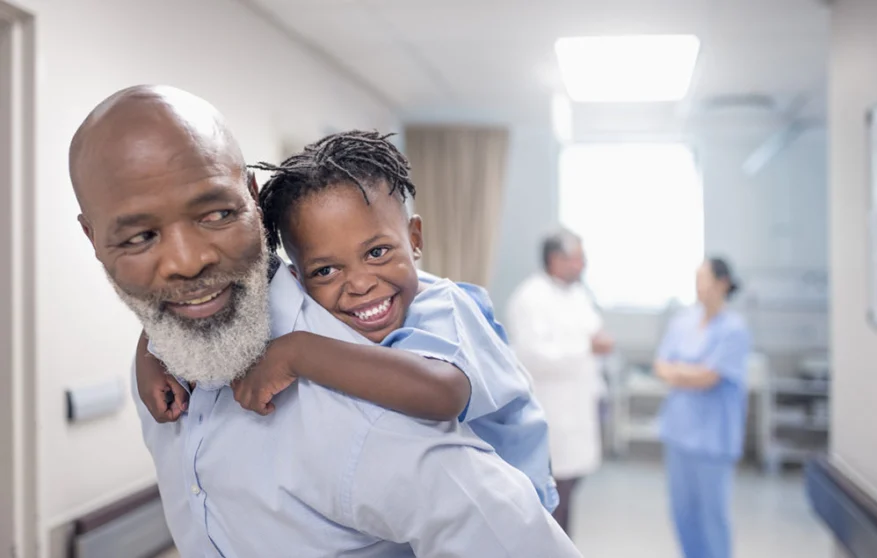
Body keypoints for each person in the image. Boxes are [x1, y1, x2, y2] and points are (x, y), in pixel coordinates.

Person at [69, 85, 581, 557]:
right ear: (94, 239)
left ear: (251, 198)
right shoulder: (171, 358)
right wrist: (149, 348)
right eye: (139, 237)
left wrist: (300, 352)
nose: (184, 262)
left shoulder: (374, 399)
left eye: (216, 214)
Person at [134, 130, 558, 512]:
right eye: (325, 271)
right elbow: (223, 297)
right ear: (298, 278)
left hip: (509, 513)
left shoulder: (445, 308)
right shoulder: (323, 302)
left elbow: (442, 392)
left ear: (414, 239)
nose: (359, 284)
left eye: (377, 253)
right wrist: (154, 351)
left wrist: (298, 354)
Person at [506, 229, 614, 535]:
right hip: (551, 412)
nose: (583, 265)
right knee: (551, 503)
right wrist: (587, 348)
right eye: (576, 258)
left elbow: (593, 330)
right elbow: (532, 355)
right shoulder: (529, 297)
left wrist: (597, 341)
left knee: (568, 494)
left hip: (578, 410)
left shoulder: (578, 293)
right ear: (555, 260)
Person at [654, 257, 752, 558]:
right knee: (683, 514)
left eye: (704, 280)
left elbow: (710, 377)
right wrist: (690, 371)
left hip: (712, 441)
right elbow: (660, 366)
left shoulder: (734, 329)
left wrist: (680, 371)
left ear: (722, 283)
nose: (699, 287)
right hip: (678, 434)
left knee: (712, 517)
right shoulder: (682, 321)